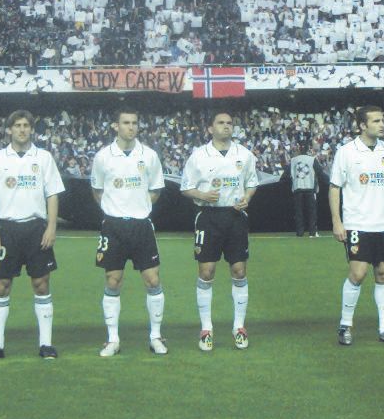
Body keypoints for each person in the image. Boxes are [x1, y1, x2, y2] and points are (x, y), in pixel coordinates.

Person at [0, 110, 66, 360]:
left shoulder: (44, 157)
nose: (21, 129)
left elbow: (52, 194)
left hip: (36, 228)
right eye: (17, 125)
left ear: (31, 129)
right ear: (8, 130)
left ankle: (46, 344)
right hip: (6, 230)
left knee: (41, 284)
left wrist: (51, 227)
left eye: (26, 125)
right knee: (1, 285)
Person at [89, 109, 168, 357]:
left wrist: (139, 208)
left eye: (134, 122)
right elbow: (97, 190)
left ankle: (155, 336)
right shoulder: (103, 157)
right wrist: (113, 209)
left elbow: (155, 189)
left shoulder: (149, 155)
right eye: (126, 123)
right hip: (113, 226)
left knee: (153, 280)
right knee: (113, 280)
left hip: (141, 226)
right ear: (115, 126)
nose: (131, 127)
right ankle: (113, 339)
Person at [330, 105, 384, 345]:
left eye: (382, 120)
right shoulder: (346, 152)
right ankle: (345, 325)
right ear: (362, 125)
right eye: (375, 121)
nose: (382, 124)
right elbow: (335, 187)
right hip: (357, 223)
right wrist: (336, 221)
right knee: (358, 273)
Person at [180, 110, 258, 351]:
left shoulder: (244, 155)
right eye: (221, 123)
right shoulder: (198, 156)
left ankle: (239, 327)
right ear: (210, 129)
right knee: (206, 271)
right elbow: (185, 188)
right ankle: (206, 328)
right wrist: (202, 195)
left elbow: (252, 183)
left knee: (239, 269)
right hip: (209, 217)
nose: (226, 126)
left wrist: (246, 197)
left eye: (229, 123)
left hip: (235, 216)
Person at [289, 143, 319, 238]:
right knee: (311, 212)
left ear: (299, 150)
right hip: (309, 188)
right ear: (308, 150)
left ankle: (299, 232)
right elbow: (320, 172)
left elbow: (286, 175)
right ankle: (312, 232)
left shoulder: (293, 160)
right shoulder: (312, 160)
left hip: (298, 188)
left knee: (299, 212)